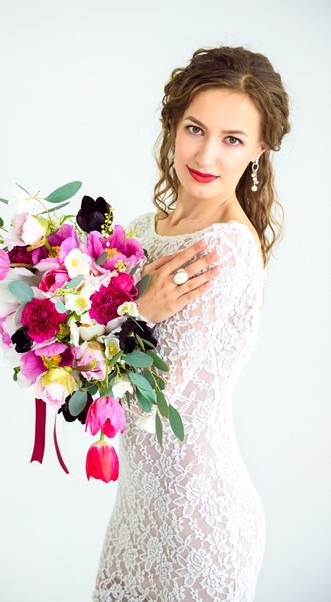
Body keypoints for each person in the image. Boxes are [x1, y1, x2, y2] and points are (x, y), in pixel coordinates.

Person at [91, 45, 290, 602]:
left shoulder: (222, 250)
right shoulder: (139, 228)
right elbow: (99, 368)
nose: (206, 154)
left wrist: (134, 314)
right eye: (195, 128)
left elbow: (148, 407)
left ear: (259, 149)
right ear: (172, 127)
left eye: (232, 139)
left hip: (197, 524)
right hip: (137, 509)